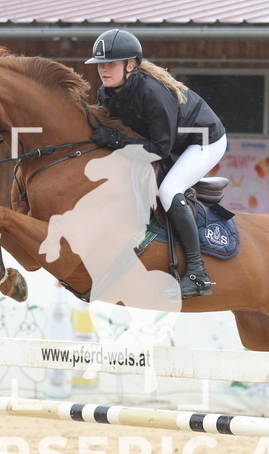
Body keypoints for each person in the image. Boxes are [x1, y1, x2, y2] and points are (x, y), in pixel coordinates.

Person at [85, 28, 226, 299]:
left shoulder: (152, 92)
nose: (103, 70)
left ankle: (197, 274)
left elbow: (159, 150)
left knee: (169, 189)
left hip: (204, 141)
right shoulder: (107, 93)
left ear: (131, 65)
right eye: (100, 64)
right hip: (171, 143)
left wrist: (114, 140)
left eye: (110, 64)